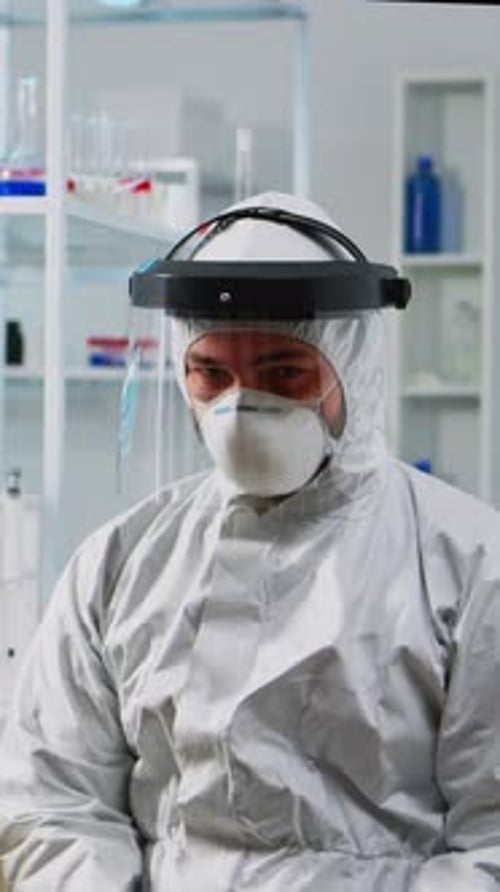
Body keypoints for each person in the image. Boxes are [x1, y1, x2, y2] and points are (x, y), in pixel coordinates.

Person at [0, 190, 500, 892]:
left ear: (349, 365)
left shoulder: (469, 566)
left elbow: (493, 842)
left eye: (283, 373)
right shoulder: (120, 564)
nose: (240, 406)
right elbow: (55, 802)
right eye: (213, 373)